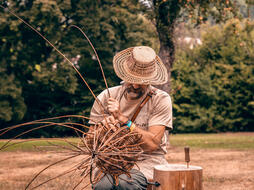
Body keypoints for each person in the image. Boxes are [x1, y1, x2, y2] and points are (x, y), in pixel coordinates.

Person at [89, 46, 173, 190]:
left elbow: (152, 144)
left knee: (125, 183)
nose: (135, 85)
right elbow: (90, 140)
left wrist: (124, 120)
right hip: (110, 161)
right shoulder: (106, 96)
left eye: (141, 81)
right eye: (131, 79)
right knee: (103, 186)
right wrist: (103, 129)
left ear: (150, 79)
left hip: (147, 161)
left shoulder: (160, 99)